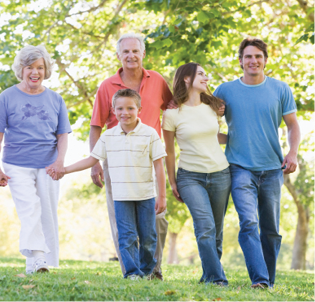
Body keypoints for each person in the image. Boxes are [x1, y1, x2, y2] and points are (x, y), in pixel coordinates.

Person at [48, 89, 166, 279]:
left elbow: (159, 166)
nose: (124, 112)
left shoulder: (150, 134)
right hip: (121, 196)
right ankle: (133, 273)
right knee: (126, 237)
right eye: (119, 108)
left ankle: (147, 271)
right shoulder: (108, 136)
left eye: (130, 108)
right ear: (113, 110)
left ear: (139, 109)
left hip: (145, 194)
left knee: (148, 238)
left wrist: (161, 196)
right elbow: (91, 160)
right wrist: (64, 169)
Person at [213, 38, 301, 288]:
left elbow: (293, 125)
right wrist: (230, 139)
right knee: (248, 223)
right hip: (239, 167)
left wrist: (292, 154)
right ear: (240, 60)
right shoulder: (224, 91)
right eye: (248, 56)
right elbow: (203, 121)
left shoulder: (280, 89)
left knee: (270, 229)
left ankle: (268, 280)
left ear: (265, 60)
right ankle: (260, 280)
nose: (253, 61)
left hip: (273, 169)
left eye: (258, 56)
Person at [90, 32, 172, 280]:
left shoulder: (157, 80)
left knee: (157, 218)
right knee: (122, 221)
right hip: (118, 162)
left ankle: (153, 268)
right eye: (125, 51)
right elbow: (96, 126)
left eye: (135, 51)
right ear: (118, 55)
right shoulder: (107, 86)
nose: (131, 55)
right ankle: (131, 271)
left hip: (150, 160)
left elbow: (176, 108)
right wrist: (95, 163)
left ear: (143, 54)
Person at [0, 45, 72, 274]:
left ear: (46, 70)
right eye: (30, 67)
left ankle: (34, 262)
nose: (35, 72)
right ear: (21, 70)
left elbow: (62, 135)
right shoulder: (7, 97)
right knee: (29, 209)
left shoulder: (56, 99)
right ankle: (40, 258)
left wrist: (60, 161)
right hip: (16, 163)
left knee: (47, 211)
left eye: (40, 67)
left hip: (49, 164)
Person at [163, 63, 230, 285]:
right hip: (190, 177)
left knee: (217, 231)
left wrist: (237, 140)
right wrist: (172, 181)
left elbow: (214, 136)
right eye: (201, 74)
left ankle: (209, 274)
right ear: (186, 79)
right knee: (205, 227)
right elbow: (170, 151)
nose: (206, 78)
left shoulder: (212, 106)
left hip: (221, 174)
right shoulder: (172, 113)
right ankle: (217, 278)